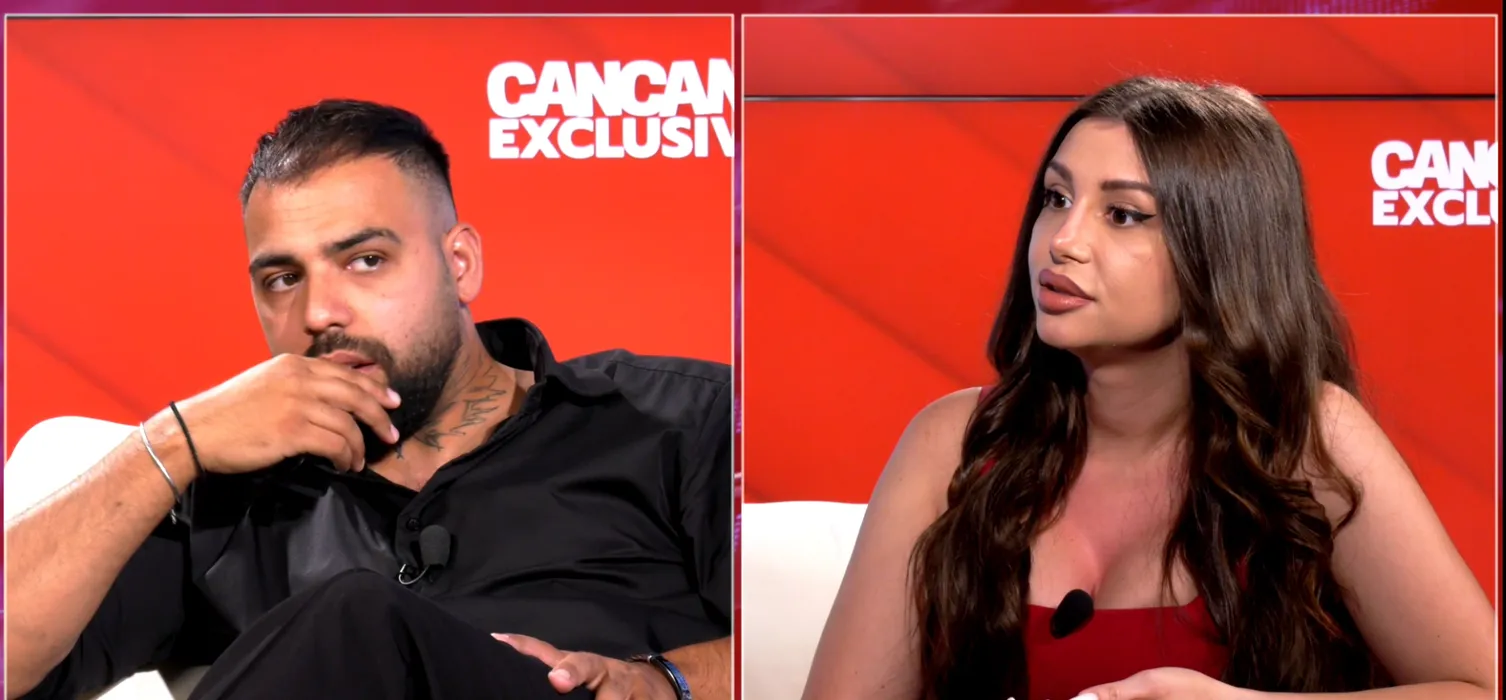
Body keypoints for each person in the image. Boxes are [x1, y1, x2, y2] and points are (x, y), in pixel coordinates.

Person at [5, 99, 732, 700]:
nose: (319, 312)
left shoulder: (675, 420)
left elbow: (797, 656)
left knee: (358, 615)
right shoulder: (224, 501)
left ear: (460, 264)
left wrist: (663, 680)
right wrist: (169, 443)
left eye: (365, 260)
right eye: (283, 279)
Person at [800, 77, 1495, 700]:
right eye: (1056, 198)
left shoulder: (1309, 438)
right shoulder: (952, 443)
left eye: (1123, 214)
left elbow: (1482, 688)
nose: (1063, 240)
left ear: (1219, 249)